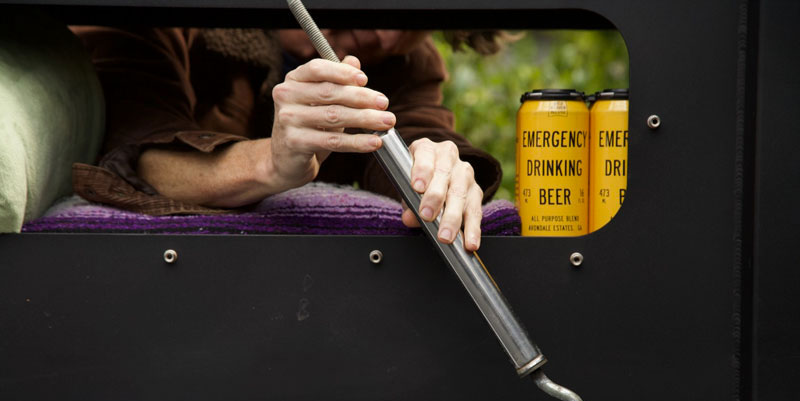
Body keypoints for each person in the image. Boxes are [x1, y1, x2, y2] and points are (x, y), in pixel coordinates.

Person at [70, 27, 503, 250]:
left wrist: (440, 165)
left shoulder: (407, 60)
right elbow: (135, 148)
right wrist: (270, 163)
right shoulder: (166, 20)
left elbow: (419, 125)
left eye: (419, 21)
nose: (387, 35)